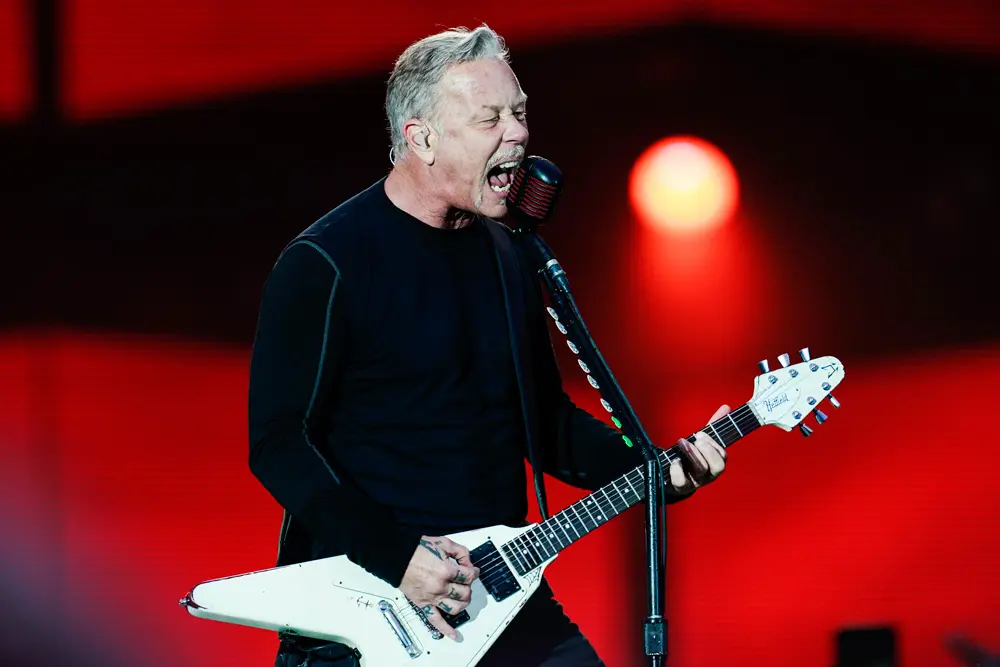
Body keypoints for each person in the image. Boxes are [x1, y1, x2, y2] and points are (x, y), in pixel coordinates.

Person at [247, 24, 730, 667]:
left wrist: (653, 469)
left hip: (496, 593)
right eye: (490, 119)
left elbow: (545, 423)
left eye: (520, 112)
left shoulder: (508, 254)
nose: (518, 134)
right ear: (421, 138)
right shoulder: (326, 261)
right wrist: (397, 558)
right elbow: (279, 443)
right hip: (367, 606)